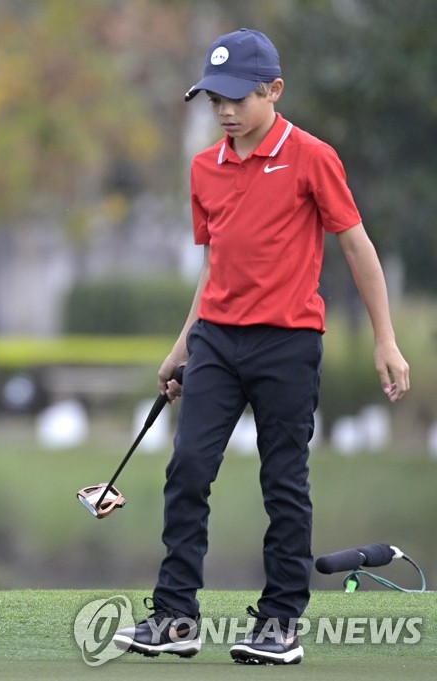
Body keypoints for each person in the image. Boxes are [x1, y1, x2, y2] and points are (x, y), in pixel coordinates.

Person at [113, 29, 410, 665]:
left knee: (283, 482)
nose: (222, 110)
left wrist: (386, 339)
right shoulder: (203, 168)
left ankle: (279, 623)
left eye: (235, 98)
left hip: (288, 344)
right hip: (216, 342)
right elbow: (213, 265)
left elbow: (357, 246)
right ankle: (175, 617)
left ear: (272, 91)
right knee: (188, 467)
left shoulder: (312, 157)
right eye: (211, 98)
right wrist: (182, 346)